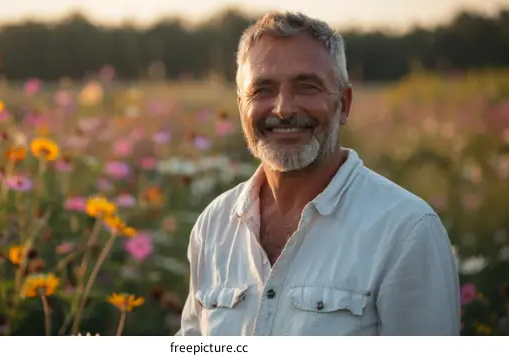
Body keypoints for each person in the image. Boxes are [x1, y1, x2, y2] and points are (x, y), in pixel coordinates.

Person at [176, 11, 461, 336]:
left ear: (345, 103)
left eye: (306, 86)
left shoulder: (407, 230)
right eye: (263, 90)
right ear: (241, 106)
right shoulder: (213, 226)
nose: (283, 109)